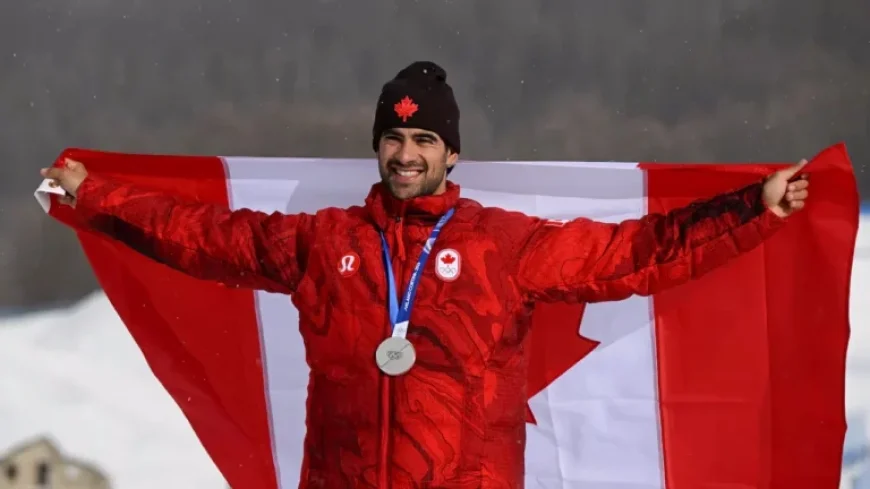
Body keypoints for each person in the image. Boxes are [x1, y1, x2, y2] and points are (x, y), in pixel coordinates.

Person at [41, 61, 810, 488]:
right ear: (378, 147)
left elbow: (636, 253)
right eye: (394, 137)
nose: (407, 153)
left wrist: (755, 207)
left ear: (452, 154)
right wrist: (97, 194)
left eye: (423, 139)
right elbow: (204, 236)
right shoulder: (324, 241)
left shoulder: (499, 248)